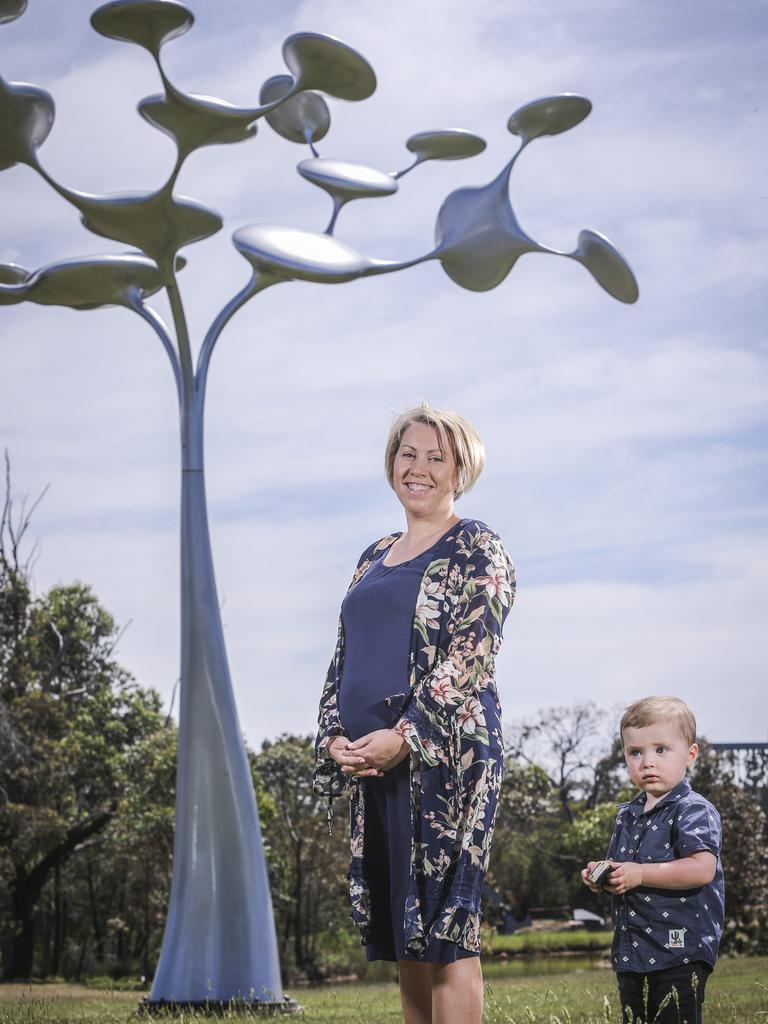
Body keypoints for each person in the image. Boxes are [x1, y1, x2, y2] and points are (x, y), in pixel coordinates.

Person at [313, 402, 515, 1024]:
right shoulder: (373, 552)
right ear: (391, 463)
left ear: (460, 471)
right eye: (408, 454)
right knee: (409, 935)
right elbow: (342, 657)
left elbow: (471, 653)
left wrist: (406, 735)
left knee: (446, 930)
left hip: (446, 760)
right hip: (373, 765)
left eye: (436, 457)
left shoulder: (476, 544)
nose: (419, 468)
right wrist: (333, 737)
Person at [582, 696, 724, 1024]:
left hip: (680, 950)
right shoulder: (627, 815)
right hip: (632, 950)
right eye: (636, 752)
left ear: (690, 755)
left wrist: (640, 873)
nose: (648, 762)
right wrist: (603, 875)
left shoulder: (692, 809)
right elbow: (626, 871)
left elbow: (702, 868)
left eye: (661, 749)